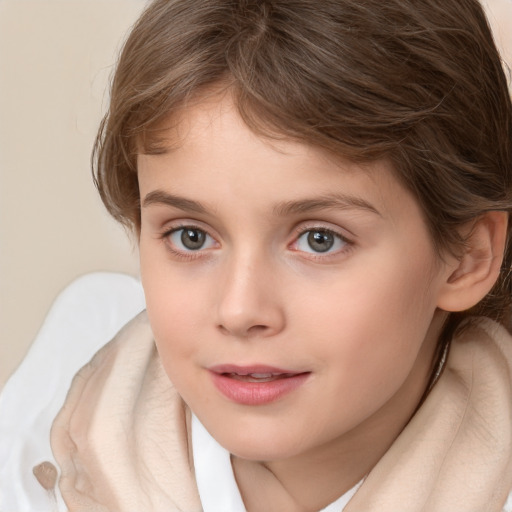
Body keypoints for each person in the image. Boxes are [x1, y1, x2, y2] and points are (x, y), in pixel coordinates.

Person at [14, 0, 512, 510]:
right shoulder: (57, 394)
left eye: (321, 240)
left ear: (468, 257)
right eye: (190, 236)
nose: (240, 310)